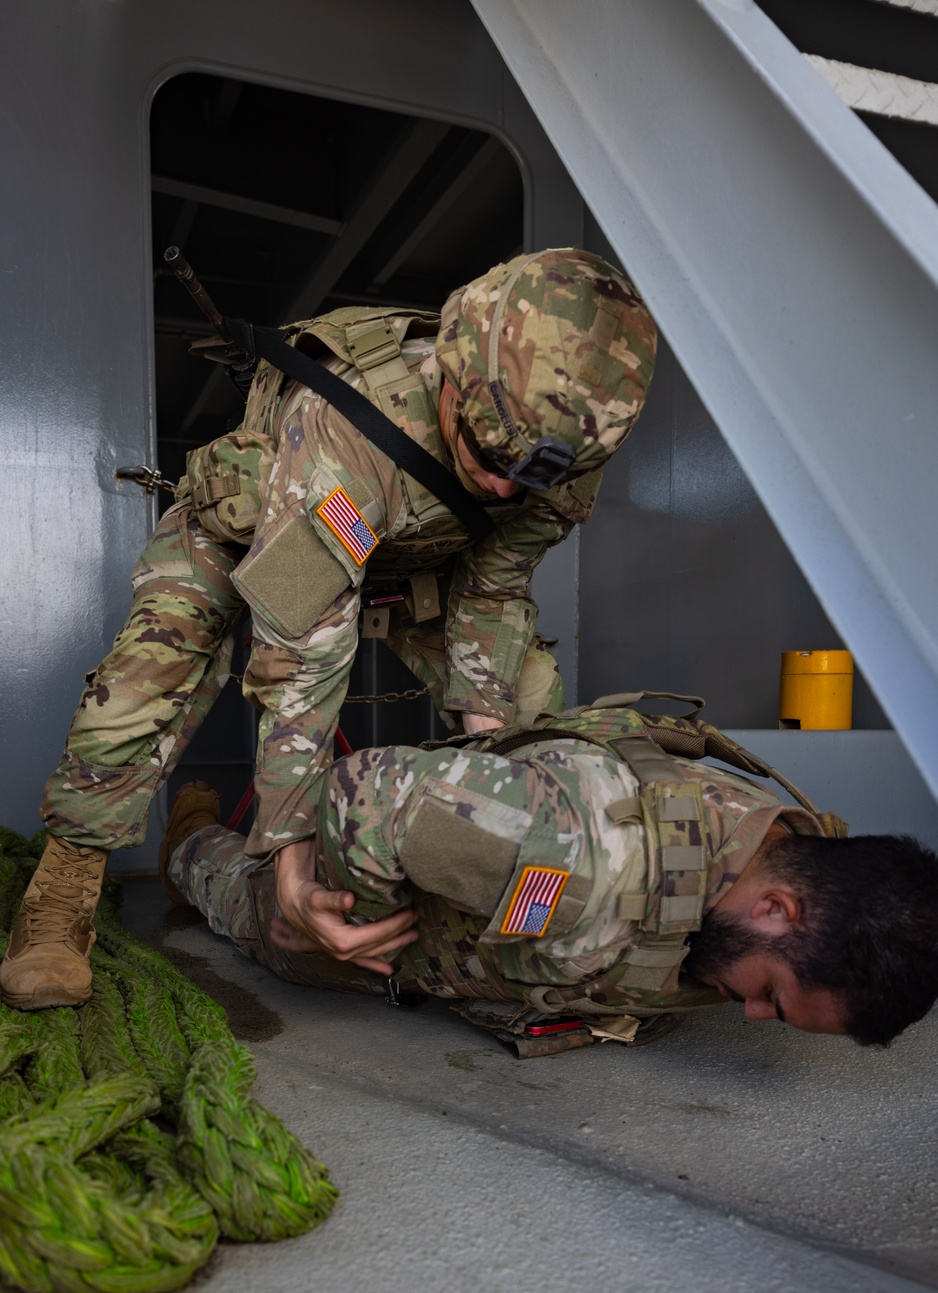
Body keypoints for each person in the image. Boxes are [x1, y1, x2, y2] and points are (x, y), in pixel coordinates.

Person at [2, 249, 657, 1010]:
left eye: (531, 472)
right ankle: (63, 891)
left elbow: (492, 596)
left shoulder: (564, 451)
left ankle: (520, 884)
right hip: (246, 531)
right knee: (143, 679)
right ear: (453, 372)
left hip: (404, 555)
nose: (508, 485)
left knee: (531, 690)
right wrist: (288, 860)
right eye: (489, 451)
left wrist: (495, 757)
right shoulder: (351, 425)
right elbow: (302, 644)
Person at [152, 702, 938, 1053]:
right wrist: (339, 921)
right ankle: (191, 838)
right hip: (367, 915)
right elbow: (366, 791)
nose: (753, 1014)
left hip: (487, 899)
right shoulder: (582, 859)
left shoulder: (784, 841)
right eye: (773, 995)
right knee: (248, 907)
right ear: (777, 907)